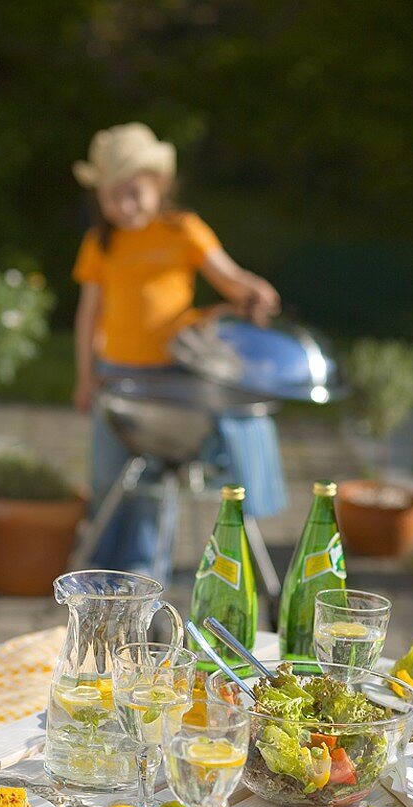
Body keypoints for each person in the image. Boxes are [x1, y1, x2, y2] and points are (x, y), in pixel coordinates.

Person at [72, 121, 288, 574]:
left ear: (159, 186)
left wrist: (253, 290)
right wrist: (85, 376)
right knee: (108, 478)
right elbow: (88, 315)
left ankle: (143, 574)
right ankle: (99, 576)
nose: (125, 206)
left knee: (153, 480)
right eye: (113, 196)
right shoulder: (101, 244)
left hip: (172, 378)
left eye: (134, 193)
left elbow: (229, 278)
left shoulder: (183, 230)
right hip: (117, 375)